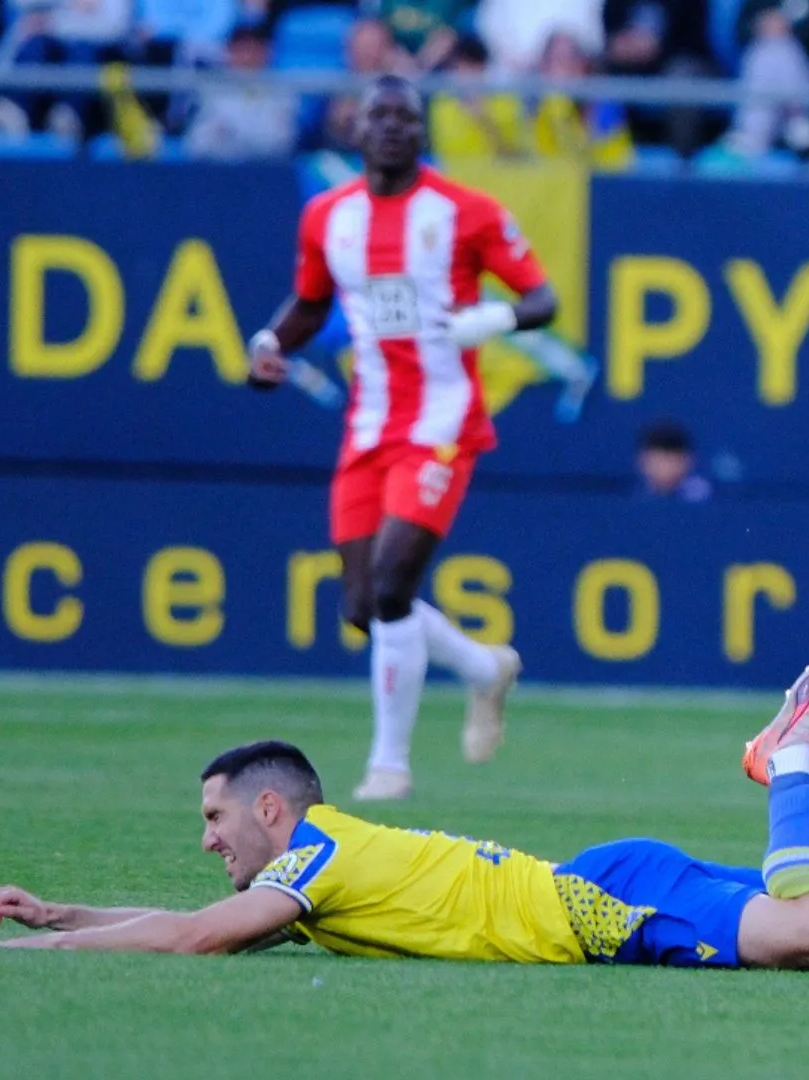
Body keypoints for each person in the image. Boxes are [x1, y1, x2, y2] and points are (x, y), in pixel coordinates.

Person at [0, 607, 809, 971]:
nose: (208, 840)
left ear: (272, 809)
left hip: (602, 906)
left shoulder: (316, 856)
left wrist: (43, 953)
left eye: (215, 817)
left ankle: (800, 754)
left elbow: (193, 937)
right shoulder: (315, 871)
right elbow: (188, 920)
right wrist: (61, 911)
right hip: (608, 886)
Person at [246, 75, 560, 802]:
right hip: (369, 426)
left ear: (423, 130)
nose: (391, 127)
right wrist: (271, 342)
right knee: (361, 605)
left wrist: (490, 320)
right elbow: (312, 302)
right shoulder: (328, 216)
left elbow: (543, 298)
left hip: (442, 422)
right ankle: (482, 667)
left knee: (392, 585)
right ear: (356, 129)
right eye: (378, 115)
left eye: (405, 117)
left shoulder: (466, 212)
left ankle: (389, 766)